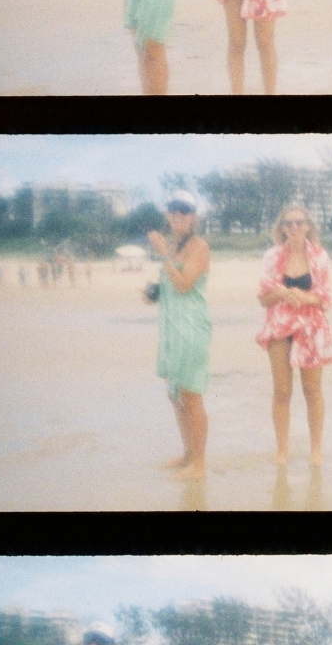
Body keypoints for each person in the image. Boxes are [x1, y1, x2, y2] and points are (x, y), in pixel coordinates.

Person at [256, 205, 332, 466]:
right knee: (281, 391)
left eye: (299, 222)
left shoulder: (320, 257)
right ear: (281, 227)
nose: (294, 227)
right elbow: (263, 299)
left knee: (312, 390)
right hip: (279, 326)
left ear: (308, 226)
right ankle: (282, 451)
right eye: (288, 223)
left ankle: (316, 450)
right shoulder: (272, 257)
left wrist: (303, 297)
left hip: (311, 327)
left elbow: (326, 298)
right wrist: (282, 293)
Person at [147, 190, 211, 480]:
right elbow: (171, 287)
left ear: (193, 217)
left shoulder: (199, 247)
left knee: (191, 395)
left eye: (184, 211)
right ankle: (187, 455)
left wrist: (163, 255)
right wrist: (153, 293)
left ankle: (199, 464)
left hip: (191, 327)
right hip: (171, 327)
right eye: (173, 210)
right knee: (176, 395)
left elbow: (185, 284)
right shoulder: (173, 247)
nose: (177, 216)